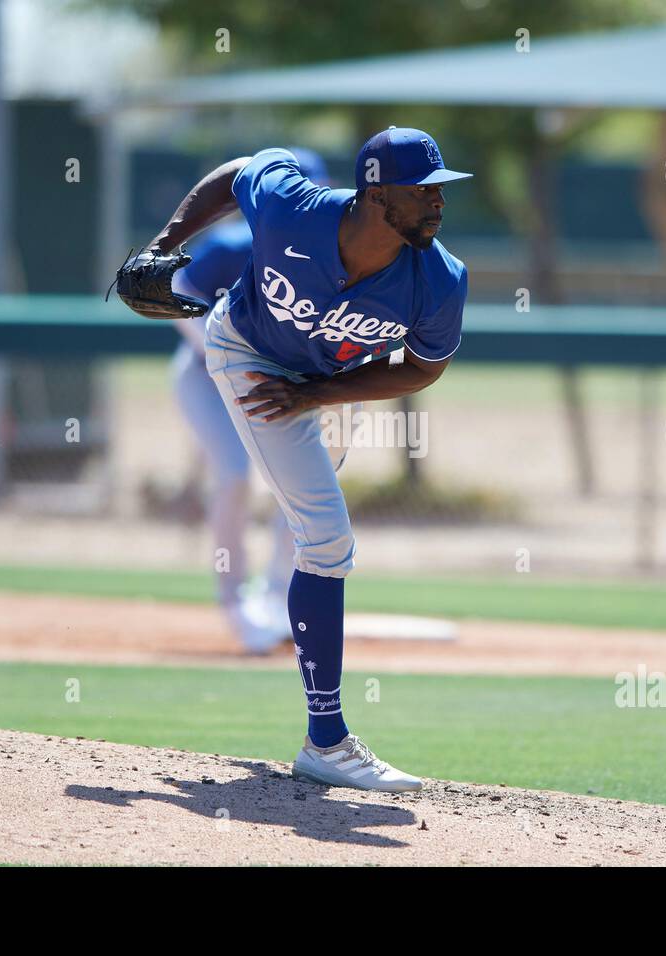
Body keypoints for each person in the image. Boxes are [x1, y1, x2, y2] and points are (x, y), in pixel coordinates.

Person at [146, 127, 470, 792]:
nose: (439, 203)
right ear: (377, 195)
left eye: (442, 189)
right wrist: (161, 248)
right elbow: (239, 169)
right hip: (250, 359)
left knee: (310, 532)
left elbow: (421, 370)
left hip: (326, 384)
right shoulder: (295, 208)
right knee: (327, 538)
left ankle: (277, 606)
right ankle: (327, 739)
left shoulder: (439, 281)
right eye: (425, 190)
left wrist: (320, 393)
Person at [167, 148, 331, 655]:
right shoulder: (233, 245)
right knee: (235, 476)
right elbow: (174, 288)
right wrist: (219, 352)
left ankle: (279, 595)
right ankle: (233, 600)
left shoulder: (328, 259)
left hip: (277, 384)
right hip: (205, 380)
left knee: (299, 485)